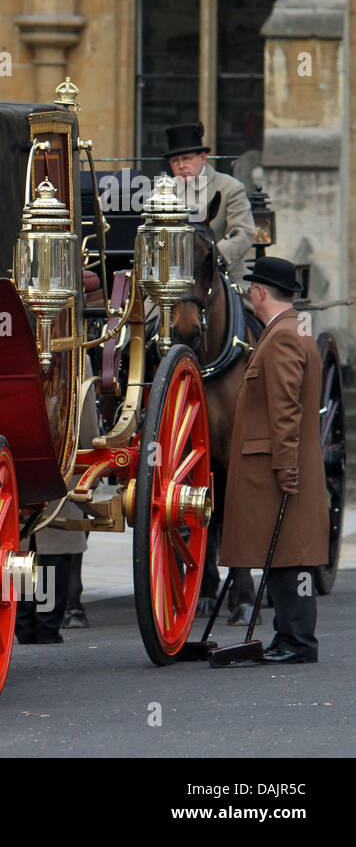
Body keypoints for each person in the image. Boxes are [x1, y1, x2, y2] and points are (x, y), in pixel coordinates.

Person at [219, 257, 327, 663]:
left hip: (279, 465)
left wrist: (285, 466)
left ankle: (297, 642)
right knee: (286, 554)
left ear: (261, 292)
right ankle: (289, 636)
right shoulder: (292, 328)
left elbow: (286, 408)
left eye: (252, 289)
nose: (250, 295)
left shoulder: (281, 336)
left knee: (290, 555)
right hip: (285, 461)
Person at [164, 122, 255, 283]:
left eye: (186, 159)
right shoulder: (160, 193)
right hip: (172, 277)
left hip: (222, 273)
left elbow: (243, 232)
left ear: (203, 158)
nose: (181, 166)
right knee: (146, 307)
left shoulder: (230, 188)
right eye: (175, 161)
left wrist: (213, 256)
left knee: (250, 306)